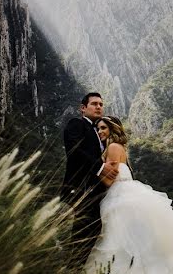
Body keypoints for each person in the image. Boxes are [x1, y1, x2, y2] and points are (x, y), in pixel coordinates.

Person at [85, 116, 173, 274]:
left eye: (103, 128)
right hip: (130, 193)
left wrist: (94, 171)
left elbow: (109, 179)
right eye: (98, 128)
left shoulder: (113, 147)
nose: (100, 131)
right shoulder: (119, 147)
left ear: (112, 129)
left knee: (122, 240)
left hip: (120, 196)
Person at [62, 92, 118, 265]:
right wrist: (101, 168)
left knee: (94, 234)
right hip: (81, 189)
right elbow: (75, 150)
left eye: (101, 104)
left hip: (96, 192)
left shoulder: (99, 131)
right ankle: (73, 267)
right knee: (82, 235)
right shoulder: (76, 124)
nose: (99, 107)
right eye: (94, 104)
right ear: (83, 108)